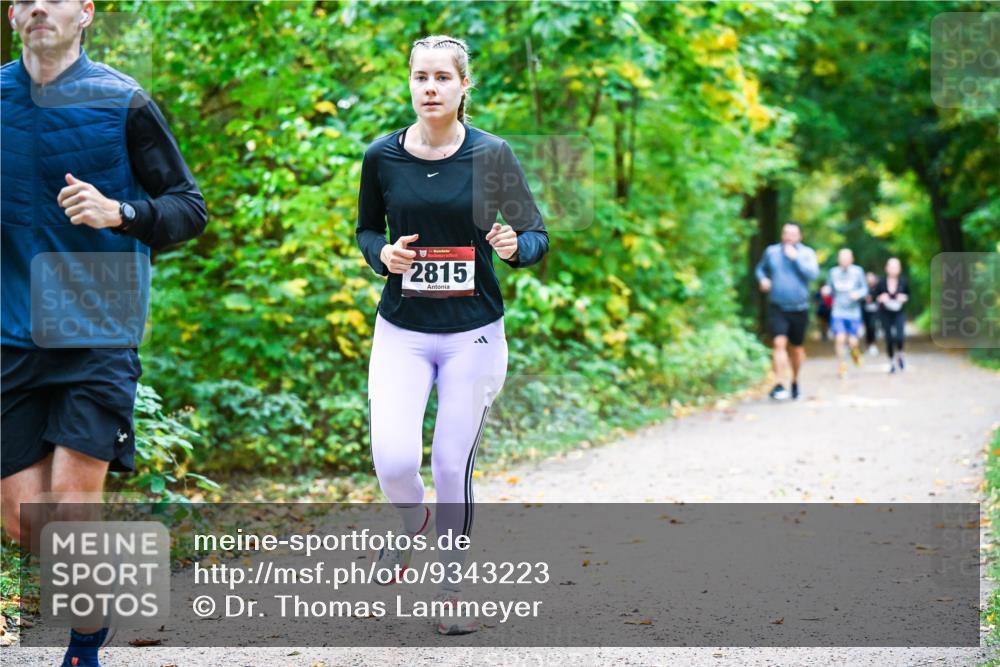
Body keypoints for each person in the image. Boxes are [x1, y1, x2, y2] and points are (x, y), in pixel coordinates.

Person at [1, 2, 207, 665]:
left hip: (98, 329)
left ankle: (84, 648)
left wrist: (121, 211)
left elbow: (189, 208)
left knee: (71, 504)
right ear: (11, 14)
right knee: (21, 519)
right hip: (9, 335)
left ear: (85, 12)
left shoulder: (124, 102)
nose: (38, 7)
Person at [355, 34, 548, 635]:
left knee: (448, 463)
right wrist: (380, 255)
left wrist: (517, 247)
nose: (430, 87)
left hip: (475, 334)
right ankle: (411, 522)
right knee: (391, 459)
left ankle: (450, 591)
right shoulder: (381, 157)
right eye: (420, 77)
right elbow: (364, 232)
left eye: (443, 77)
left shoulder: (493, 155)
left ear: (465, 86)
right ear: (409, 82)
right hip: (402, 332)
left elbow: (536, 235)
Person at [755, 222, 819, 401]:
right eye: (786, 233)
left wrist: (796, 258)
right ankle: (779, 383)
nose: (789, 237)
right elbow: (760, 269)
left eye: (793, 234)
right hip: (778, 306)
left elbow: (813, 275)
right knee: (778, 343)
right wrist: (763, 279)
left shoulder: (807, 253)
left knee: (797, 349)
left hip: (800, 307)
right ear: (782, 235)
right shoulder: (772, 252)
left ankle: (795, 382)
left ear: (799, 236)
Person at [821, 249, 868, 378]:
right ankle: (842, 366)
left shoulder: (858, 272)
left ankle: (855, 353)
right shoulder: (833, 272)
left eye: (847, 258)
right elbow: (830, 289)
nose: (844, 261)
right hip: (838, 311)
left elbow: (865, 289)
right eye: (842, 258)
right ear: (838, 260)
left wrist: (858, 294)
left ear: (852, 259)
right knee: (840, 338)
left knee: (853, 342)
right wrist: (826, 290)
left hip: (853, 312)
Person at [874, 257, 910, 373]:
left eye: (896, 267)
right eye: (891, 266)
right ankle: (892, 362)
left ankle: (900, 354)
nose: (893, 269)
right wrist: (880, 298)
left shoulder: (903, 281)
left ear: (899, 269)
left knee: (899, 336)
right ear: (886, 268)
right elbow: (874, 296)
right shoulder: (881, 282)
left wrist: (904, 298)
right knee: (889, 338)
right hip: (885, 313)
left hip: (899, 312)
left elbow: (909, 295)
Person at [862, 271, 880, 356]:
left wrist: (873, 298)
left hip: (875, 310)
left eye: (871, 277)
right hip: (865, 311)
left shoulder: (878, 287)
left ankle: (873, 344)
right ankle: (868, 344)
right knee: (868, 328)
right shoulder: (863, 288)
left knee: (873, 326)